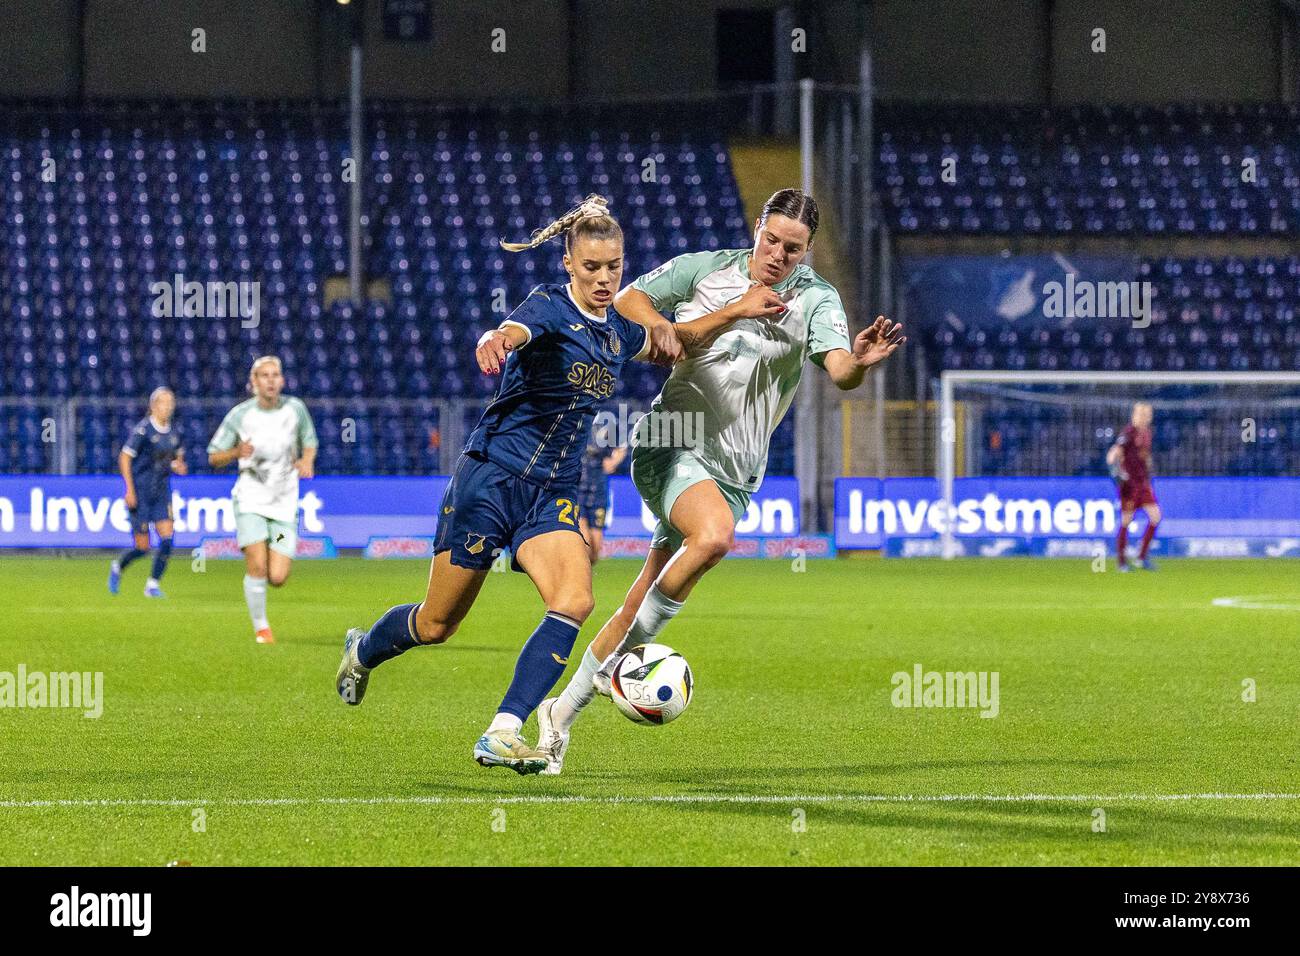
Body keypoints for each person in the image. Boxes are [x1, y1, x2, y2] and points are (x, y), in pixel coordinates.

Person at [538, 187, 906, 774]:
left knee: (638, 604)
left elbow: (839, 371)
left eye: (794, 248)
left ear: (806, 251)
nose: (779, 255)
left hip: (735, 470)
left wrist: (858, 362)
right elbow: (629, 299)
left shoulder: (816, 300)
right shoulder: (705, 271)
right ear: (757, 228)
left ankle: (559, 716)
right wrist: (660, 325)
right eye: (771, 239)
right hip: (671, 439)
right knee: (713, 537)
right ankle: (612, 671)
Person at [335, 195, 701, 775]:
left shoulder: (617, 334)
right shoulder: (551, 307)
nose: (604, 279)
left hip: (551, 490)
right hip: (491, 478)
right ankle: (363, 651)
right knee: (436, 624)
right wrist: (496, 339)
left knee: (576, 599)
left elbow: (672, 338)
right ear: (568, 265)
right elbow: (515, 329)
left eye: (613, 267)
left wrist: (737, 315)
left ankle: (503, 730)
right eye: (591, 268)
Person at [207, 356, 318, 644]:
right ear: (253, 383)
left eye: (275, 375)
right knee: (257, 567)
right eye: (264, 375)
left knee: (278, 577)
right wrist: (235, 452)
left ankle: (270, 548)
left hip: (283, 503)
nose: (271, 380)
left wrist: (307, 460)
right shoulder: (240, 415)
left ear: (282, 380)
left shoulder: (295, 409)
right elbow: (214, 456)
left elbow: (310, 441)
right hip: (250, 500)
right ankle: (262, 629)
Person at [108, 387, 186, 598]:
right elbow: (124, 457)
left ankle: (152, 585)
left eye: (171, 403)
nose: (168, 407)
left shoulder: (175, 432)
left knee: (168, 538)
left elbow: (177, 460)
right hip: (141, 491)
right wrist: (129, 490)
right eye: (164, 402)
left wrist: (178, 467)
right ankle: (118, 566)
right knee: (142, 547)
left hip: (161, 492)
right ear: (153, 406)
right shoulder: (143, 430)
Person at [1106, 401, 1161, 571]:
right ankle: (1121, 562)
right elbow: (1113, 453)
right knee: (1126, 521)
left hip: (1143, 483)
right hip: (1129, 484)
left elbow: (1145, 456)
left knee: (1156, 516)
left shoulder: (1147, 433)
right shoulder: (1128, 432)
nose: (1144, 417)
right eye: (1141, 414)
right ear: (1135, 415)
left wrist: (1149, 470)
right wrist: (1114, 470)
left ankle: (1141, 557)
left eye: (1147, 414)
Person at [577, 417, 627, 564]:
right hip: (577, 486)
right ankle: (579, 576)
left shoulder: (607, 422)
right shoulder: (576, 420)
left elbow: (621, 447)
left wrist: (613, 461)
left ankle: (586, 571)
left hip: (598, 486)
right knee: (582, 529)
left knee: (595, 549)